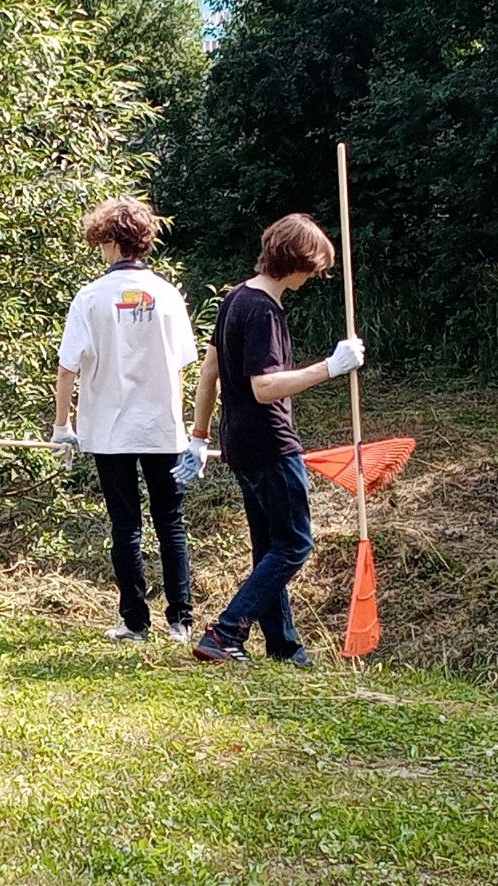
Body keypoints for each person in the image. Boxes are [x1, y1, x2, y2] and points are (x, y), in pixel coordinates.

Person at [172, 213, 364, 667]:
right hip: (270, 442)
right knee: (295, 543)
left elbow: (210, 371)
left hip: (239, 441)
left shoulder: (236, 298)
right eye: (314, 267)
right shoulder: (263, 311)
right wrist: (331, 367)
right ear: (297, 261)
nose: (314, 277)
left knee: (270, 547)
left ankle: (284, 647)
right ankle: (226, 632)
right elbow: (265, 387)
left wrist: (200, 435)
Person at [51, 198, 198, 643]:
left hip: (109, 429)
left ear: (113, 242)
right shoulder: (167, 295)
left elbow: (67, 368)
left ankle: (135, 622)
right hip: (162, 427)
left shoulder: (90, 297)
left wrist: (62, 426)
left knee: (126, 525)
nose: (101, 250)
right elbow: (183, 362)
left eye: (102, 242)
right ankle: (181, 621)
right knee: (170, 521)